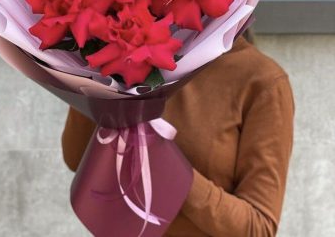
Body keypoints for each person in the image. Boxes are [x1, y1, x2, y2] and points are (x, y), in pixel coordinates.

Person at [61, 34, 295, 237]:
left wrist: (172, 170)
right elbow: (76, 158)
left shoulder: (262, 81)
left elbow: (258, 227)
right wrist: (93, 68)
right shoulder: (136, 51)